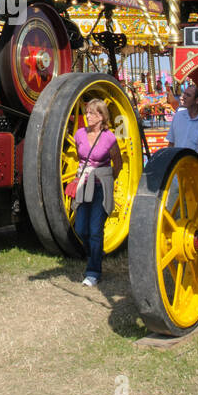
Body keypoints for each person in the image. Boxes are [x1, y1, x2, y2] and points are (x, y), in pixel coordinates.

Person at [73, 98, 122, 287]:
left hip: (101, 187)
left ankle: (93, 271)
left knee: (95, 230)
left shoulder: (109, 137)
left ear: (101, 116)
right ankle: (95, 253)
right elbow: (80, 158)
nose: (87, 116)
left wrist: (109, 178)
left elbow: (118, 162)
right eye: (86, 112)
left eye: (92, 113)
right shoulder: (79, 134)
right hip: (84, 185)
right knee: (81, 229)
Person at [167, 81, 198, 156]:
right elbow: (171, 144)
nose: (183, 97)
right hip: (178, 165)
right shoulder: (178, 116)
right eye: (184, 93)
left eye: (188, 95)